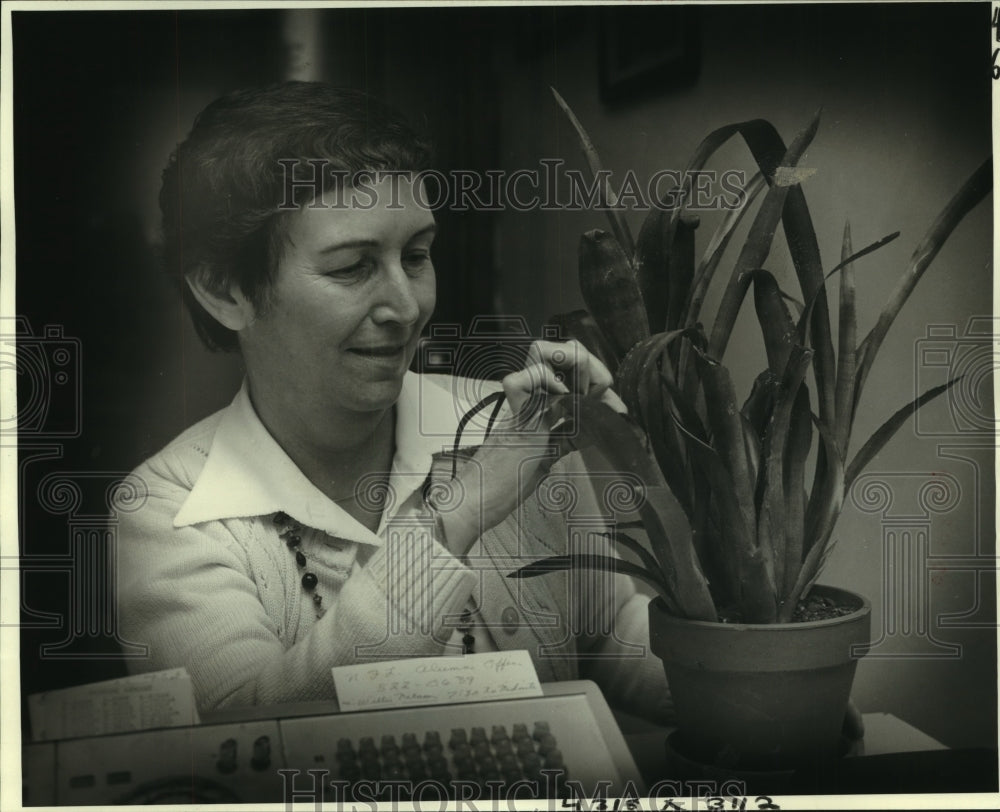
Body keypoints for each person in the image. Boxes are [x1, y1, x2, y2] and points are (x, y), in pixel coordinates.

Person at [114, 82, 673, 720]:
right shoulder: (164, 513)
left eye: (416, 256)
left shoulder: (519, 430)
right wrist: (459, 512)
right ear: (225, 290)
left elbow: (613, 640)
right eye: (352, 267)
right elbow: (249, 744)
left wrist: (660, 464)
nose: (407, 309)